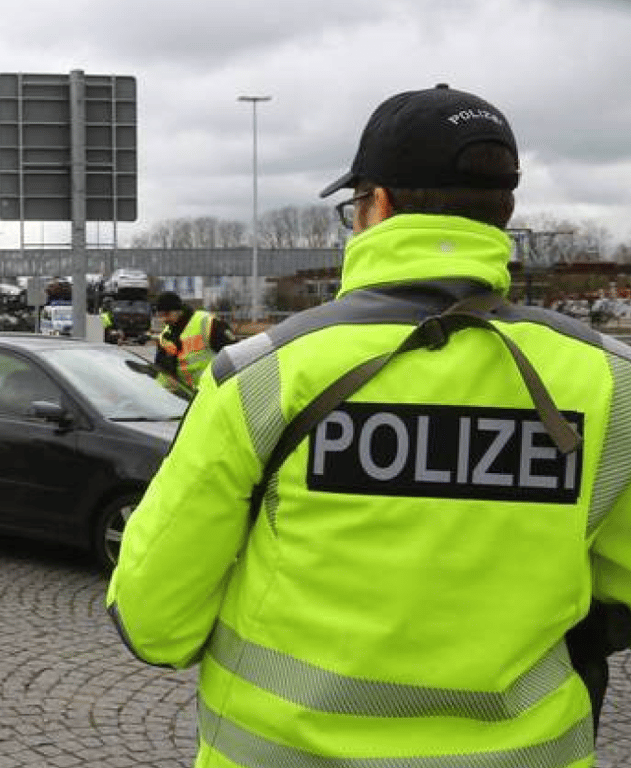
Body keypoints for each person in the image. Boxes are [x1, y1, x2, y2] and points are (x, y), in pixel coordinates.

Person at [107, 84, 631, 766]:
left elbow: (155, 621)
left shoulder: (264, 374)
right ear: (502, 212)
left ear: (375, 205)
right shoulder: (612, 383)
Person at [149, 291, 235, 396]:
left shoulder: (207, 323)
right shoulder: (165, 337)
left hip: (215, 393)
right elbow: (161, 371)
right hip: (187, 397)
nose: (164, 319)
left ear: (178, 311)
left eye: (167, 314)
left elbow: (233, 355)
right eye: (160, 315)